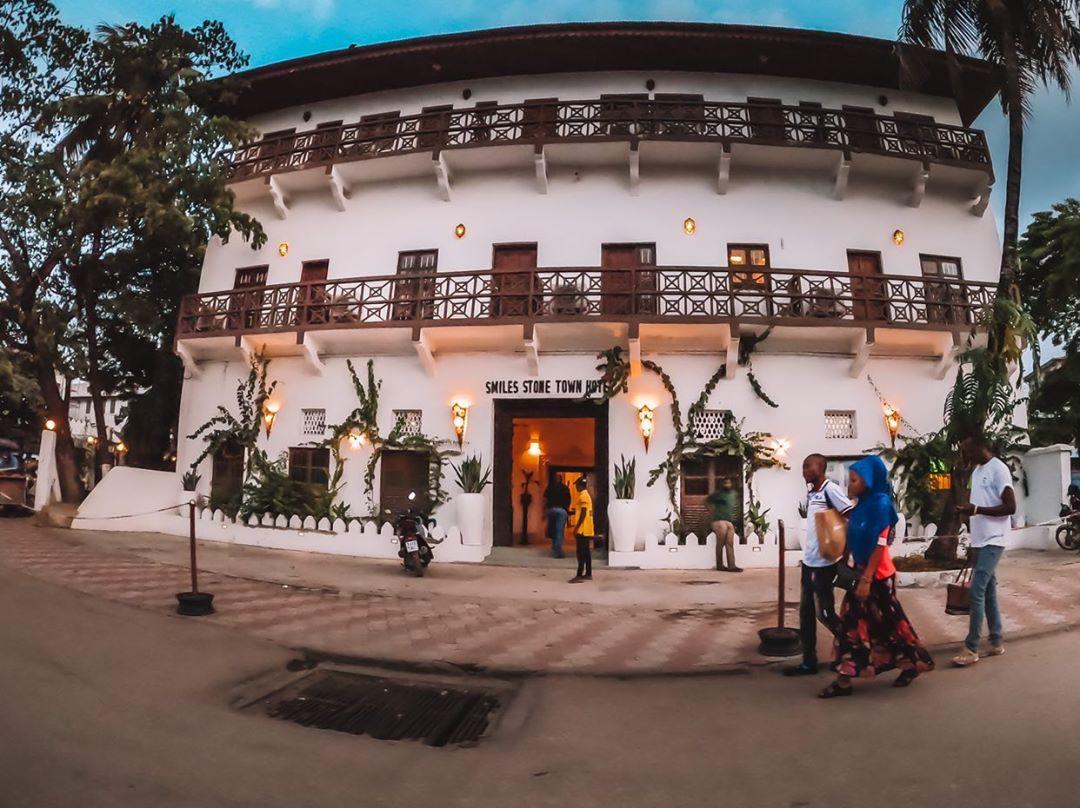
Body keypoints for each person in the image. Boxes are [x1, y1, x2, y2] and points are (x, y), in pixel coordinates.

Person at [819, 455, 934, 698]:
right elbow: (853, 534)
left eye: (853, 480)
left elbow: (880, 545)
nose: (849, 485)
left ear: (869, 481)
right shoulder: (860, 504)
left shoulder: (881, 505)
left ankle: (914, 663)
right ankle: (844, 680)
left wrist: (867, 579)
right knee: (852, 626)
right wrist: (845, 558)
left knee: (891, 625)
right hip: (861, 572)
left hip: (878, 577)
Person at [785, 453, 853, 677]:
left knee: (824, 613)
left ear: (820, 467)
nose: (803, 470)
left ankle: (852, 647)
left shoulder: (829, 489)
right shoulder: (812, 492)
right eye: (803, 467)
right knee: (806, 614)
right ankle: (808, 662)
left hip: (824, 565)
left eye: (807, 466)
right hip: (809, 563)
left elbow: (849, 515)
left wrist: (845, 552)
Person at [952, 432, 1016, 667]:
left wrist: (977, 509)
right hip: (979, 540)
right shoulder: (976, 471)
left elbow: (1010, 506)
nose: (965, 455)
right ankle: (997, 641)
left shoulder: (998, 469)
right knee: (987, 592)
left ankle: (971, 647)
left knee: (976, 591)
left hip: (995, 539)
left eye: (968, 450)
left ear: (981, 447)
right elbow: (977, 506)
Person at [707, 477, 742, 572]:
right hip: (719, 520)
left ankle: (732, 566)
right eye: (725, 483)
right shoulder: (717, 494)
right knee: (720, 543)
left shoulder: (734, 494)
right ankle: (720, 565)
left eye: (729, 483)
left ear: (731, 484)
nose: (727, 485)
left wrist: (735, 521)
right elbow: (707, 502)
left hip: (729, 521)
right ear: (722, 484)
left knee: (730, 544)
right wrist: (712, 512)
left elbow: (735, 508)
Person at [569, 477, 594, 583]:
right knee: (586, 553)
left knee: (581, 553)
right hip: (588, 528)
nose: (575, 487)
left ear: (579, 485)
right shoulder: (587, 495)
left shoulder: (583, 496)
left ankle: (579, 575)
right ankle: (588, 573)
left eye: (576, 485)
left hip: (582, 529)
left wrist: (576, 527)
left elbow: (583, 512)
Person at [544, 473, 572, 558]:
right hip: (562, 511)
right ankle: (558, 550)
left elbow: (545, 499)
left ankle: (554, 548)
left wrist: (545, 510)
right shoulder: (565, 488)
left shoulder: (550, 487)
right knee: (559, 530)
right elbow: (569, 500)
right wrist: (566, 509)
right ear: (561, 479)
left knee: (553, 529)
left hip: (551, 510)